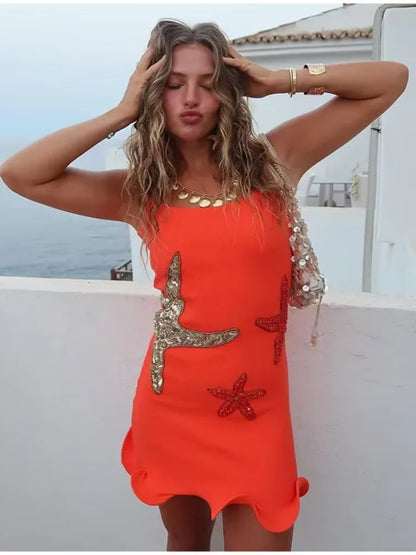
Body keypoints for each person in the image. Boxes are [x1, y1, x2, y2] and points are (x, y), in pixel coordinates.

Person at [0, 17, 408, 552]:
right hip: (173, 408)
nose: (191, 98)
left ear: (227, 94)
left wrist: (277, 81)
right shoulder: (142, 192)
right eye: (173, 84)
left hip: (259, 415)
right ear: (154, 94)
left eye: (208, 83)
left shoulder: (274, 163)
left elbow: (391, 79)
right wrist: (122, 112)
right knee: (186, 542)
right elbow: (21, 173)